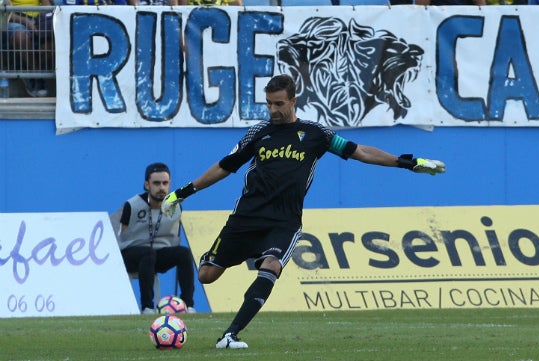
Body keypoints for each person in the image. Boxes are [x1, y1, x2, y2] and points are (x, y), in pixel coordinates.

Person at [161, 74, 445, 349]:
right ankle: (233, 256)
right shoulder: (259, 133)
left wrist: (406, 162)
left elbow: (360, 151)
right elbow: (224, 166)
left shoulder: (315, 134)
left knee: (271, 266)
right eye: (269, 103)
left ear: (293, 100)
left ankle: (230, 335)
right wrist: (183, 192)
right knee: (207, 275)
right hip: (247, 217)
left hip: (284, 221)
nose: (273, 110)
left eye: (279, 104)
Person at [117, 162, 196, 314]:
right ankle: (147, 307)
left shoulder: (175, 206)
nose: (161, 188)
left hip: (157, 254)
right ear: (147, 184)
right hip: (131, 254)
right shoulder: (132, 205)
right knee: (148, 254)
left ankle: (188, 306)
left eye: (165, 183)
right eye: (156, 183)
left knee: (183, 253)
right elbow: (121, 236)